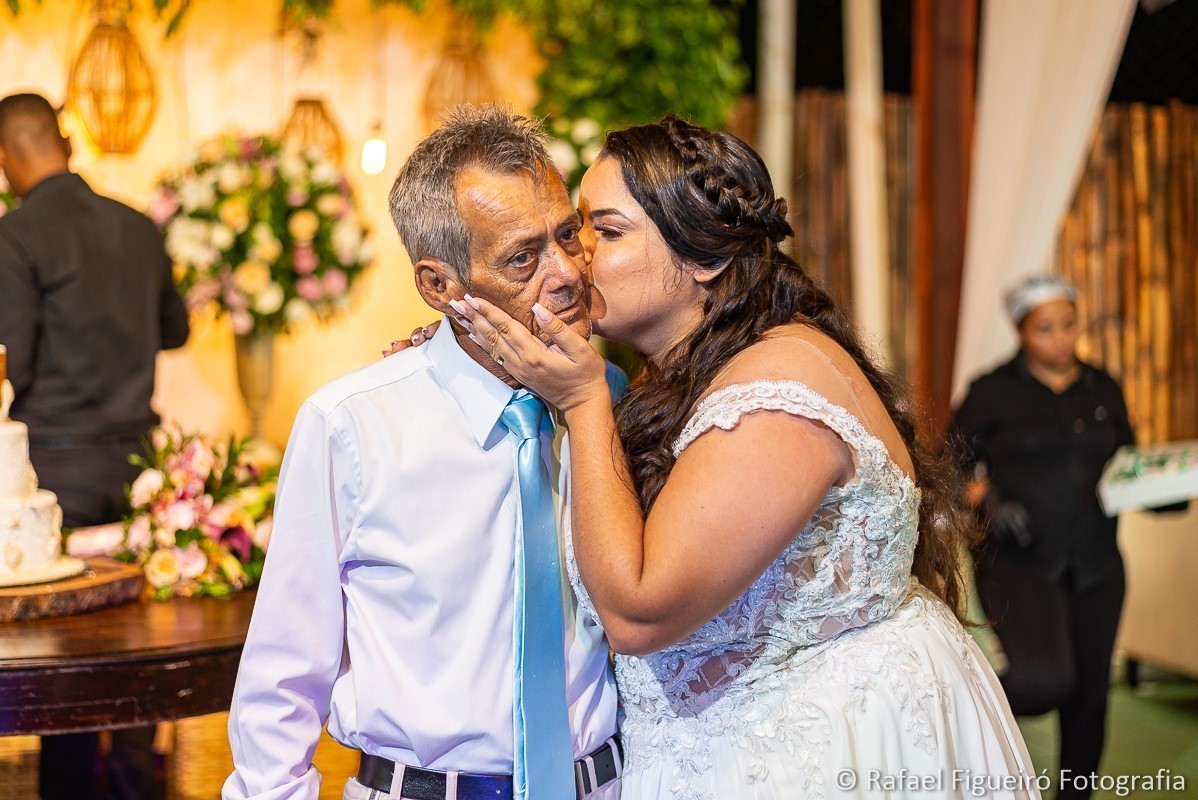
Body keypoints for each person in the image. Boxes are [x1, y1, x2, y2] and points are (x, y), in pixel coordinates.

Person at [449, 115, 1040, 799]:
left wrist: (583, 406)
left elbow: (639, 612)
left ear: (706, 258)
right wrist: (460, 361)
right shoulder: (681, 374)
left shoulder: (774, 393)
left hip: (822, 751)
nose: (576, 258)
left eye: (604, 232)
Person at [223, 106, 624, 800]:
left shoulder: (615, 400)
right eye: (523, 258)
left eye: (569, 235)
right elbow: (282, 678)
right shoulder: (353, 426)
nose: (565, 272)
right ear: (439, 286)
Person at [0, 92, 190, 800]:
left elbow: (9, 359)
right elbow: (174, 331)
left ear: (7, 155)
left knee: (65, 662)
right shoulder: (138, 226)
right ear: (64, 142)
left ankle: (70, 787)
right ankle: (140, 783)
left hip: (56, 470)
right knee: (134, 644)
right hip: (140, 464)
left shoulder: (15, 235)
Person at [949, 276, 1135, 800]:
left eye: (1068, 324)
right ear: (1020, 330)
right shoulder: (991, 391)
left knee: (1090, 697)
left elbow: (1128, 462)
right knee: (1046, 679)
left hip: (1097, 562)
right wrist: (987, 499)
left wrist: (1166, 485)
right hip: (1017, 561)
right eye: (1044, 329)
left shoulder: (1104, 388)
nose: (1059, 338)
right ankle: (949, 723)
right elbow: (948, 468)